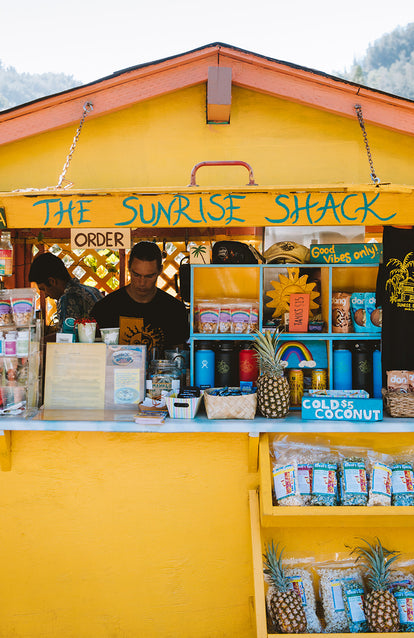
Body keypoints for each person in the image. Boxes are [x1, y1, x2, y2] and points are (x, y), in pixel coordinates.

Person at [90, 241, 189, 352]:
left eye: (149, 276)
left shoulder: (174, 310)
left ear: (160, 270)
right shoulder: (105, 308)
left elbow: (178, 355)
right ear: (129, 267)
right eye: (136, 275)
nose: (142, 283)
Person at [28, 252, 103, 329]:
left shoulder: (68, 298)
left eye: (43, 289)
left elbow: (66, 337)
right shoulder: (93, 290)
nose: (46, 295)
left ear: (52, 281)